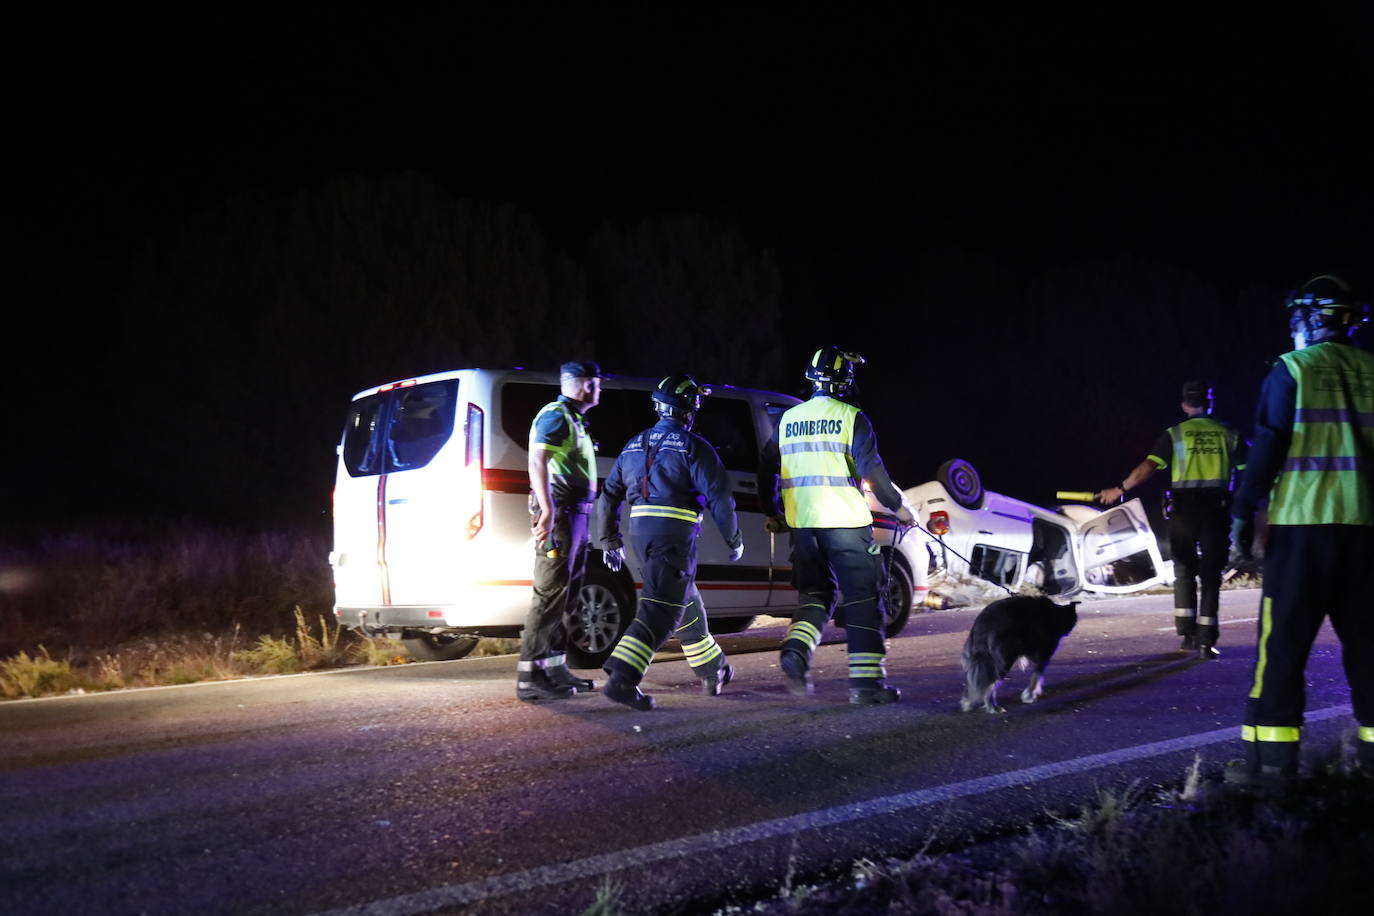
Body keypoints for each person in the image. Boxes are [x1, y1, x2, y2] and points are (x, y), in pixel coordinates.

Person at [1225, 274, 1374, 783]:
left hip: (1302, 529)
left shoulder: (1293, 369)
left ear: (1311, 319)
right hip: (1366, 534)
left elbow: (1269, 444)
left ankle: (1271, 769)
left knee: (1282, 648)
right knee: (1370, 649)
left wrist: (1244, 512)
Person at [758, 346, 915, 705]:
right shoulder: (852, 418)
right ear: (845, 382)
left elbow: (766, 468)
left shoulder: (787, 420)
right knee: (863, 599)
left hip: (804, 527)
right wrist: (900, 509)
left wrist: (773, 512)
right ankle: (866, 686)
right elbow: (873, 472)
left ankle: (796, 650)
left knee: (815, 595)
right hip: (845, 524)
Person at [593, 374, 745, 710]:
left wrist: (609, 540)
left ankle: (713, 669)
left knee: (685, 600)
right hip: (673, 537)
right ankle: (622, 678)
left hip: (639, 536)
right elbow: (719, 496)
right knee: (660, 609)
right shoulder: (694, 446)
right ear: (689, 409)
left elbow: (609, 496)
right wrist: (734, 539)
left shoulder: (633, 444)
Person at [1096, 380, 1248, 659]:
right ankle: (1206, 642)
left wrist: (1120, 489)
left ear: (1184, 404)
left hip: (1184, 511)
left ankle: (1187, 636)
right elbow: (1250, 470)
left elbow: (1148, 467)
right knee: (1211, 576)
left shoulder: (1175, 434)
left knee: (1184, 571)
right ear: (1209, 402)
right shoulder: (1229, 434)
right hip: (1216, 510)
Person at [516, 360, 604, 701]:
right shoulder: (556, 415)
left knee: (566, 595)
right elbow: (537, 461)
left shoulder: (575, 418)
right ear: (582, 384)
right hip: (562, 514)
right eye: (596, 383)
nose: (599, 390)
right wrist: (549, 510)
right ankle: (530, 676)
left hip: (575, 516)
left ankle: (553, 668)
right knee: (550, 593)